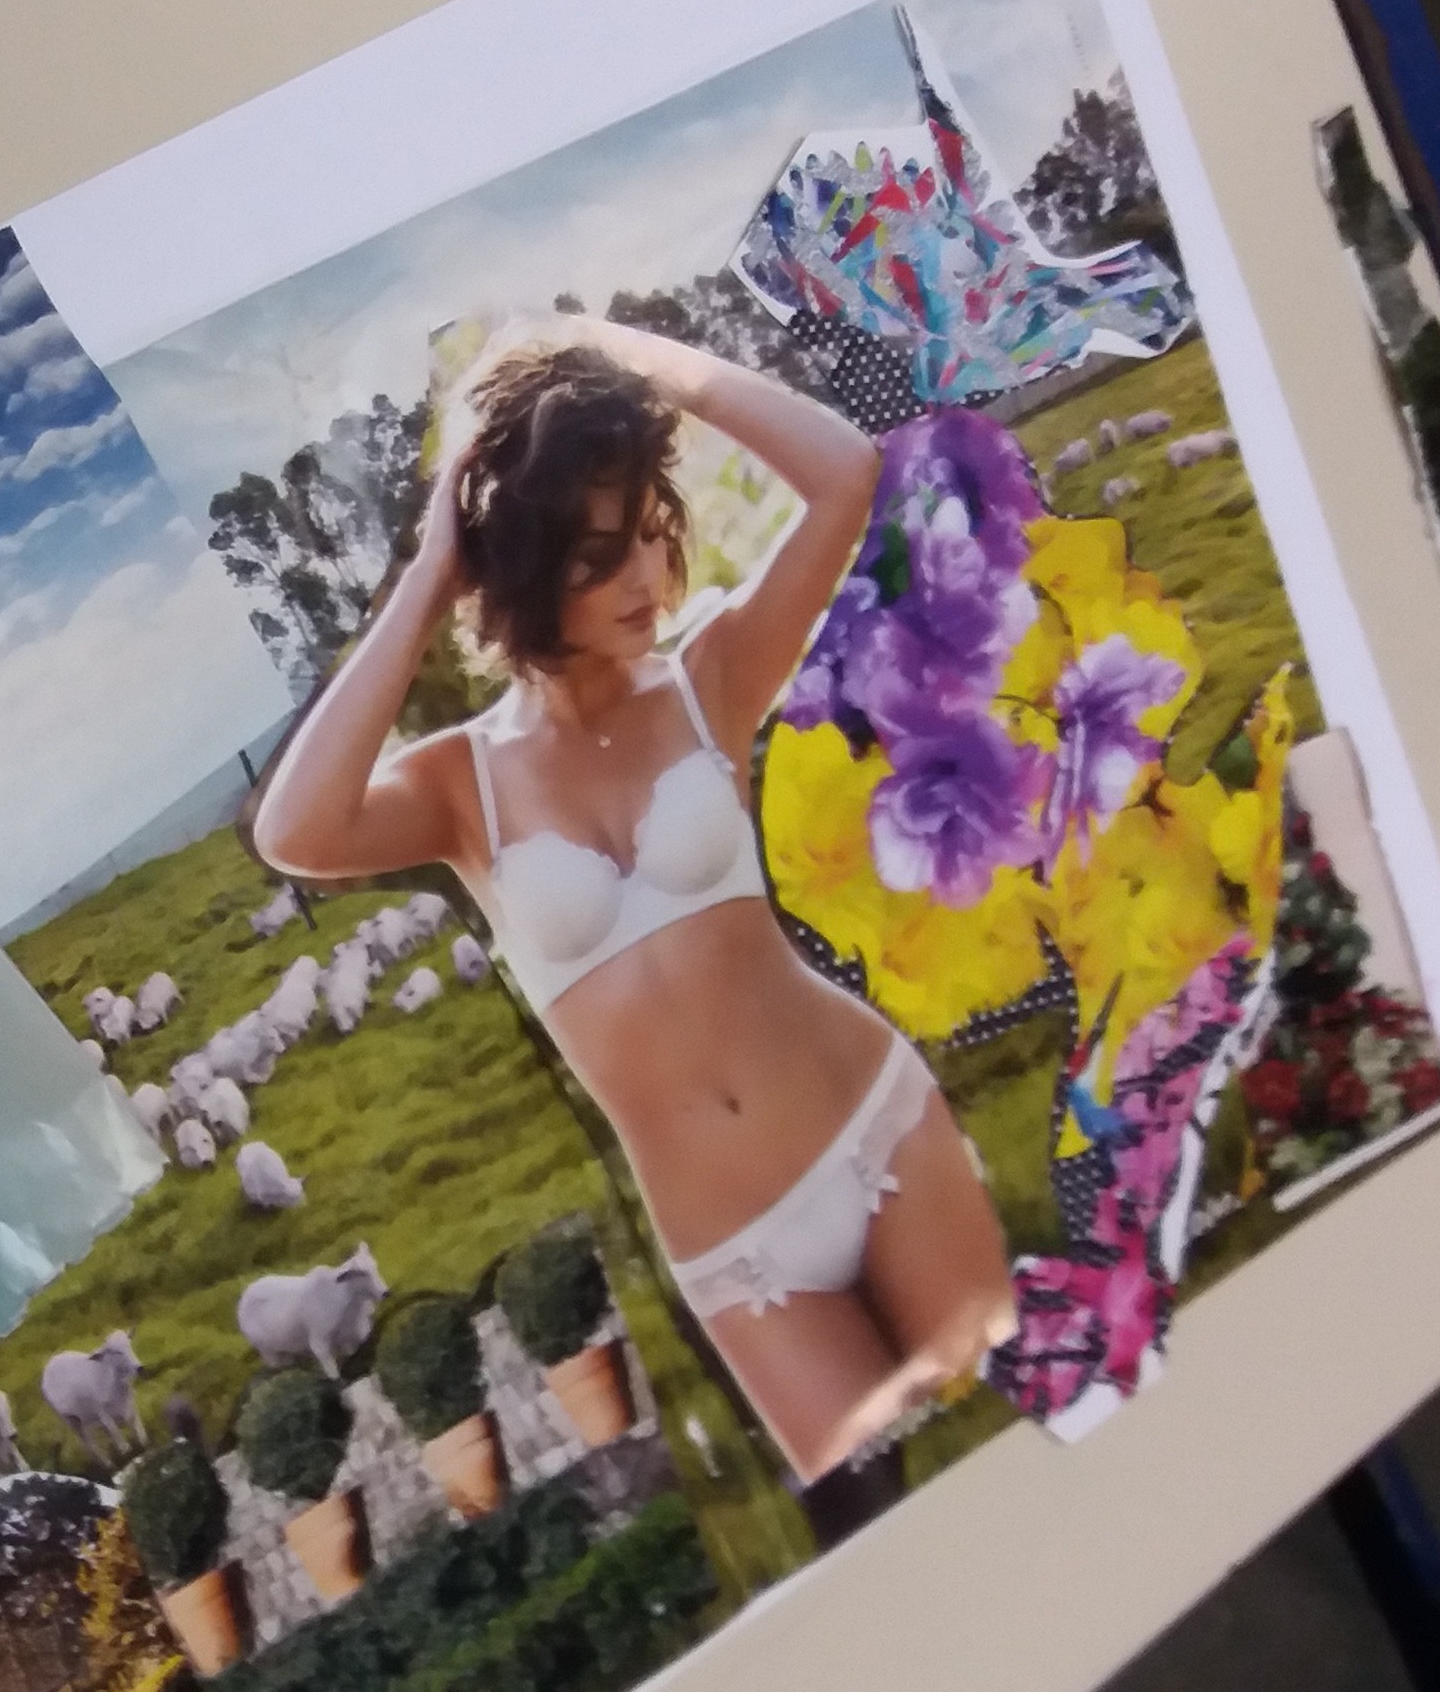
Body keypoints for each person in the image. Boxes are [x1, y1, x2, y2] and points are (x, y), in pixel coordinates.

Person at [250, 317, 1013, 1480]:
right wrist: (429, 570)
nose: (649, 579)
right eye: (598, 557)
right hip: (740, 1251)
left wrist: (621, 356)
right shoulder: (460, 788)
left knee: (1029, 1442)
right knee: (925, 1525)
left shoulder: (711, 677)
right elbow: (293, 829)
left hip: (878, 1126)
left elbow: (846, 474)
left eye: (653, 534)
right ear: (516, 569)